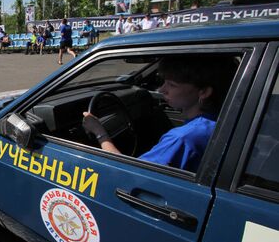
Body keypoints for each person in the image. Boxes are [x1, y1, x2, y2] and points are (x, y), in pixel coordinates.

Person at [82, 56, 238, 172]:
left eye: (172, 85)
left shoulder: (182, 138)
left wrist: (100, 132)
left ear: (204, 92)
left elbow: (128, 173)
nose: (161, 90)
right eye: (164, 82)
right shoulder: (219, 118)